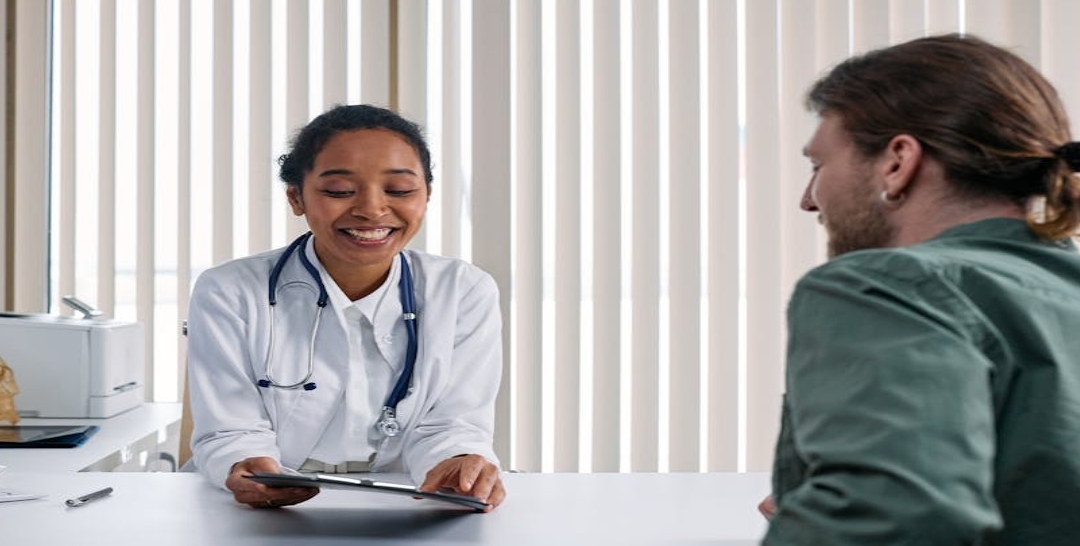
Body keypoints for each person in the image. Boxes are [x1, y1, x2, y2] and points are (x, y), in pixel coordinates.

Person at [760, 34, 1080, 544]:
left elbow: (892, 522)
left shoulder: (885, 286)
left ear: (897, 160)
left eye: (818, 165)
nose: (808, 200)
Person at [186, 104, 506, 511]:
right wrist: (247, 466)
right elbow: (230, 429)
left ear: (427, 195)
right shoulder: (229, 290)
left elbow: (453, 425)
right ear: (296, 197)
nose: (372, 209)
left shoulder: (463, 290)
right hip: (262, 512)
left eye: (400, 190)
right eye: (339, 191)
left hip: (404, 505)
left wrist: (459, 462)